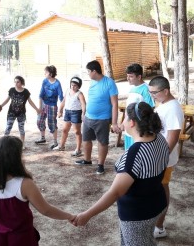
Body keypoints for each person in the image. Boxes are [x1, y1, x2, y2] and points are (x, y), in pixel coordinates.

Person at [72, 102, 169, 246]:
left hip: (138, 216)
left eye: (124, 118)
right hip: (157, 204)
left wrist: (87, 215)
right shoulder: (160, 138)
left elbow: (115, 193)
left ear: (132, 122)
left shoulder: (134, 154)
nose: (121, 122)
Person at [0, 136, 75, 246]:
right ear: (15, 159)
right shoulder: (25, 184)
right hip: (21, 238)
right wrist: (69, 216)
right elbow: (46, 210)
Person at [148, 76, 184, 238]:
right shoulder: (164, 104)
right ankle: (155, 223)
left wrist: (161, 158)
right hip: (158, 156)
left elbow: (173, 137)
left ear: (165, 91)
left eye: (154, 93)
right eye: (150, 93)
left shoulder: (173, 108)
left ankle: (159, 227)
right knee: (156, 191)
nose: (152, 96)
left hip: (164, 159)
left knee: (161, 190)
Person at [75, 60, 120, 175]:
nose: (88, 74)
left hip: (103, 119)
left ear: (94, 71)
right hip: (89, 117)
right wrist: (84, 114)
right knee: (86, 140)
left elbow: (115, 104)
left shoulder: (109, 83)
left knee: (102, 142)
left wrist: (114, 123)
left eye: (89, 71)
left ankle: (100, 165)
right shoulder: (92, 82)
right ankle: (87, 160)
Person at [0, 75, 40, 147]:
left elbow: (30, 101)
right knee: (8, 128)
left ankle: (22, 144)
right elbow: (7, 99)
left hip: (21, 114)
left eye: (18, 82)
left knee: (21, 129)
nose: (16, 83)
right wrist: (0, 106)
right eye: (15, 82)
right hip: (11, 113)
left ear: (21, 83)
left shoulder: (25, 92)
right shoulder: (12, 90)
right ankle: (4, 144)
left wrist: (36, 109)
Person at [122, 64, 154, 150]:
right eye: (127, 76)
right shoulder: (132, 88)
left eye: (131, 76)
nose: (128, 78)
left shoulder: (146, 90)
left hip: (137, 129)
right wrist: (124, 122)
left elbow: (149, 110)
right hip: (129, 126)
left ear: (139, 77)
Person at [54, 76, 86, 156]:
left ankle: (78, 149)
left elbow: (83, 104)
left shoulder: (79, 94)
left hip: (76, 113)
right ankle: (61, 145)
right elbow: (63, 101)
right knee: (65, 130)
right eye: (72, 85)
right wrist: (60, 111)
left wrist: (83, 113)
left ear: (78, 86)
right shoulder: (68, 91)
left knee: (77, 131)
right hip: (67, 112)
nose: (73, 86)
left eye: (75, 85)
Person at [35, 65, 64, 150]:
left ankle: (55, 142)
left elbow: (61, 97)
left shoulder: (57, 83)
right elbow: (41, 95)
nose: (44, 73)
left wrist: (60, 110)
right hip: (44, 104)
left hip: (52, 106)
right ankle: (43, 138)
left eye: (46, 72)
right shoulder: (44, 81)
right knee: (39, 121)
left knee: (52, 124)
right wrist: (40, 107)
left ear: (51, 74)